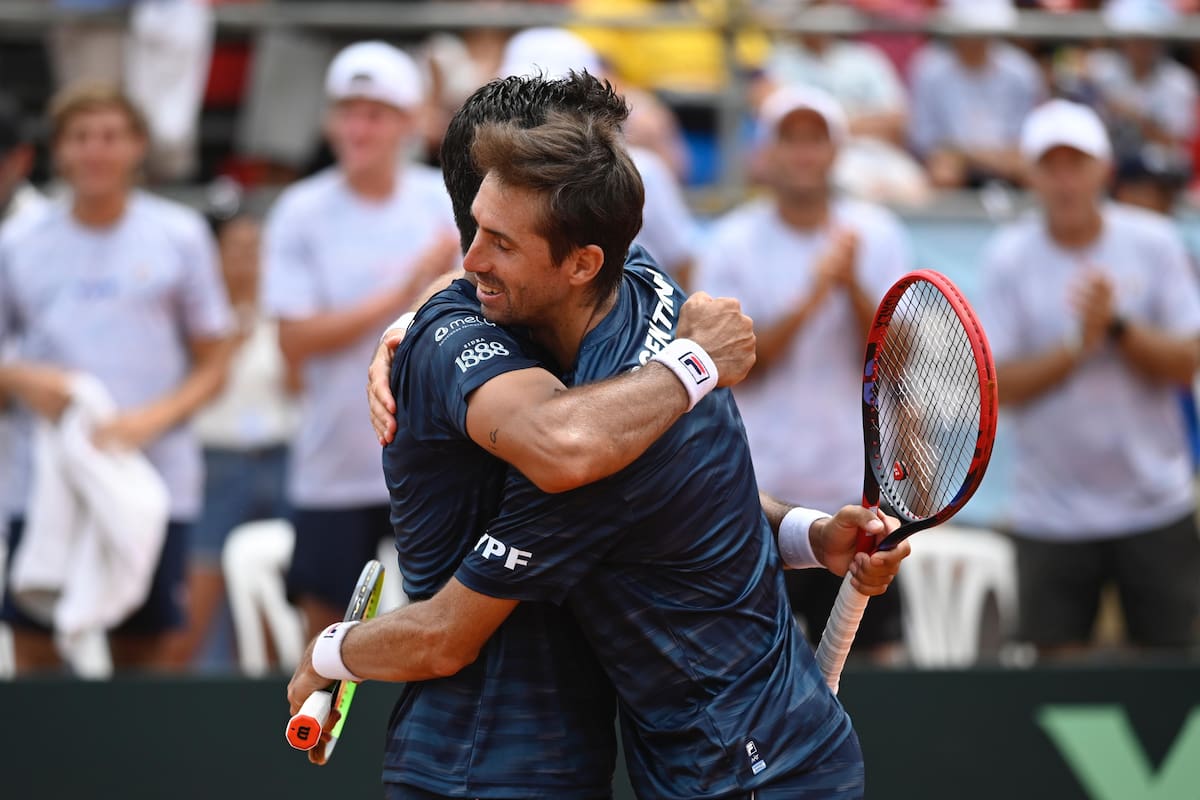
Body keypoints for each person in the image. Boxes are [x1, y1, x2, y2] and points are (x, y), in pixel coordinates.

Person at [293, 82, 909, 798]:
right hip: (490, 770)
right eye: (478, 232)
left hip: (736, 771)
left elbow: (446, 632)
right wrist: (413, 324)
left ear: (585, 254)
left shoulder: (599, 435)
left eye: (501, 242)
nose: (471, 262)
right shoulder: (641, 291)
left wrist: (329, 651)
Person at [0, 82, 233, 673]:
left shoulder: (180, 235)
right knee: (36, 648)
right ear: (59, 151)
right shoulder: (18, 243)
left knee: (145, 655)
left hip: (153, 482)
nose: (95, 151)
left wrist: (146, 422)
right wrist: (24, 379)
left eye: (109, 136)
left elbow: (214, 360)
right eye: (80, 137)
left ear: (137, 148)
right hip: (43, 482)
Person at [696, 85, 911, 663]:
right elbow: (735, 367)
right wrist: (814, 293)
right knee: (751, 668)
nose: (803, 154)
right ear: (768, 153)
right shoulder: (731, 242)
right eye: (790, 139)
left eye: (815, 139)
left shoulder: (877, 232)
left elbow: (901, 357)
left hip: (859, 492)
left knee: (877, 669)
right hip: (764, 500)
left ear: (834, 152)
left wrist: (853, 286)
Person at [979, 99, 1200, 659]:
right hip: (1050, 511)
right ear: (1030, 176)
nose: (1064, 180)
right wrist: (1081, 342)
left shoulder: (1153, 242)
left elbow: (1187, 359)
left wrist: (1118, 328)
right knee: (1057, 681)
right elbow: (999, 384)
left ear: (1103, 169)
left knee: (1172, 674)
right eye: (1050, 166)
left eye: (1076, 164)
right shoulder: (1009, 257)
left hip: (1154, 501)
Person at [261, 41, 460, 640]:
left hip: (438, 458)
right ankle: (318, 739)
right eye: (347, 111)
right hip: (335, 464)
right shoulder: (300, 210)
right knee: (325, 637)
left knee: (446, 626)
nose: (357, 127)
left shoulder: (447, 198)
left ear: (407, 123)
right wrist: (409, 289)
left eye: (375, 113)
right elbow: (293, 340)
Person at [168, 183, 299, 672]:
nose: (247, 259)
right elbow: (201, 385)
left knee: (275, 599)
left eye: (256, 248)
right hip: (217, 461)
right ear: (215, 255)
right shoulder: (200, 316)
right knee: (197, 596)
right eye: (235, 248)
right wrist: (233, 332)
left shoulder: (287, 310)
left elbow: (298, 384)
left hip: (280, 454)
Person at [908, 0, 1044, 188]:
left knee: (1032, 170)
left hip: (1004, 160)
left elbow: (1026, 142)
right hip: (954, 164)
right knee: (943, 171)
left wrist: (972, 156)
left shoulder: (1021, 71)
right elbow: (926, 143)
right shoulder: (928, 69)